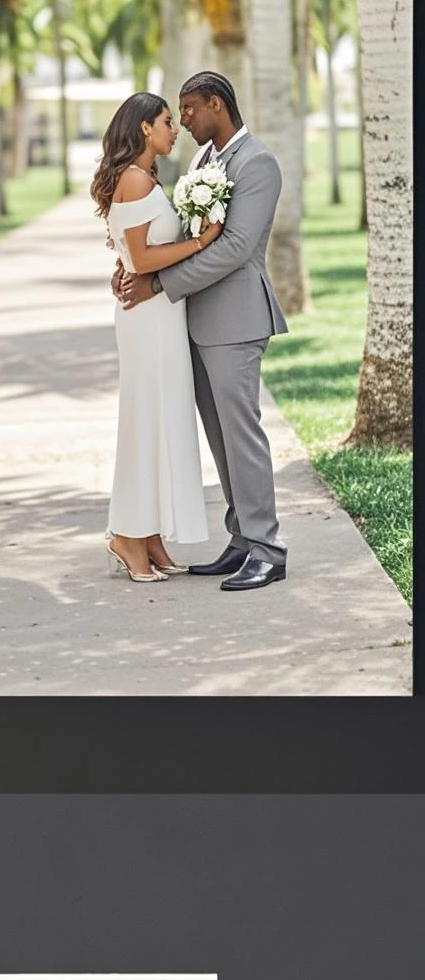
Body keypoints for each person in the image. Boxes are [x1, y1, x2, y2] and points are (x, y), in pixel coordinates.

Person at [117, 72, 289, 591]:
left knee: (243, 435)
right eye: (178, 113)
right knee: (220, 439)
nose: (184, 120)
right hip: (194, 322)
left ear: (217, 104)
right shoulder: (203, 163)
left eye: (190, 109)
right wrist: (134, 265)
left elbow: (235, 248)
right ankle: (241, 539)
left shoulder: (257, 164)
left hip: (235, 321)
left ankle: (267, 548)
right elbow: (181, 234)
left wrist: (158, 284)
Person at [91, 92, 222, 583]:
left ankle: (148, 536)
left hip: (159, 315)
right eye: (168, 121)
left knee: (160, 420)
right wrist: (202, 241)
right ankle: (127, 535)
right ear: (145, 128)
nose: (175, 129)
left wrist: (123, 265)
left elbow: (128, 252)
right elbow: (143, 260)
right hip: (148, 319)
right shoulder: (133, 178)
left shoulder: (143, 179)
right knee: (146, 422)